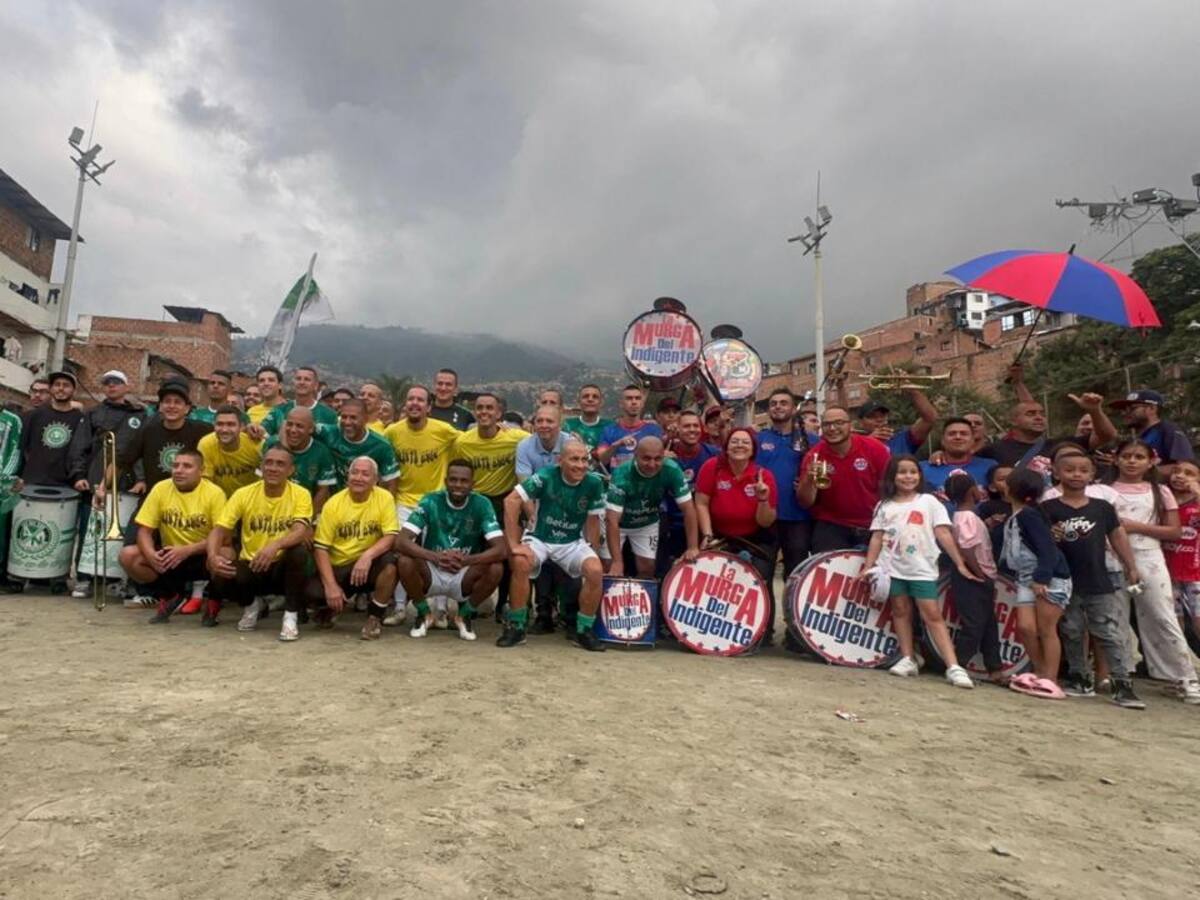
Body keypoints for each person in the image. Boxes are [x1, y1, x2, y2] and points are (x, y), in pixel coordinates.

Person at [859, 456, 978, 688]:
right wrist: (868, 565)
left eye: (913, 472)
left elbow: (943, 533)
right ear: (892, 476)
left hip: (922, 568)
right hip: (891, 568)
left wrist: (960, 562)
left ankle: (953, 665)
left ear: (919, 475)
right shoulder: (884, 505)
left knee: (932, 614)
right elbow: (877, 536)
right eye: (902, 472)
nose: (908, 477)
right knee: (900, 610)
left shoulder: (929, 502)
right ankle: (907, 657)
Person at [1040, 449, 1145, 708]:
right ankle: (1080, 678)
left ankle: (1122, 683)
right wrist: (1050, 537)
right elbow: (1041, 543)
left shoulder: (1102, 507)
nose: (1076, 475)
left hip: (1099, 579)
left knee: (1109, 630)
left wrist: (1130, 565)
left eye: (1083, 470)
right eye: (1070, 469)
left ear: (1092, 474)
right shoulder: (1047, 508)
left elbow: (1117, 536)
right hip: (1064, 581)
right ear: (1056, 473)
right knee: (1072, 630)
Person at [1105, 438, 1200, 702]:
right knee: (1116, 617)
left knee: (1161, 615)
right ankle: (1120, 676)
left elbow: (1174, 530)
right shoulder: (1104, 490)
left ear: (1150, 462)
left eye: (1138, 457)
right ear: (1116, 459)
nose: (1132, 461)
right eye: (1126, 456)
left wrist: (1134, 526)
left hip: (1149, 555)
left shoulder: (1160, 491)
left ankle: (1184, 675)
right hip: (1112, 558)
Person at [499, 439, 606, 650]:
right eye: (574, 459)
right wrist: (513, 543)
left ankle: (583, 630)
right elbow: (510, 501)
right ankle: (517, 626)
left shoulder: (594, 482)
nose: (581, 465)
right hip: (540, 537)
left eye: (584, 459)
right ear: (560, 461)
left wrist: (592, 549)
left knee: (595, 570)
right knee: (520, 562)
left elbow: (593, 519)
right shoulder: (545, 476)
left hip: (571, 541)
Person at [206, 446, 312, 640]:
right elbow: (219, 529)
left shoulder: (300, 493)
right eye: (268, 463)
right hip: (252, 564)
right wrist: (212, 556)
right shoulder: (243, 493)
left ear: (290, 470)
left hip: (281, 566)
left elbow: (300, 531)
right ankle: (252, 605)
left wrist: (275, 545)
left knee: (298, 552)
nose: (273, 468)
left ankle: (290, 616)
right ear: (261, 467)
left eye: (280, 464)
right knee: (219, 569)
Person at [395, 459, 507, 641]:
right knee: (404, 560)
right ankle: (424, 613)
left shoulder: (482, 504)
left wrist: (467, 560)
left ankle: (465, 614)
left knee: (496, 567)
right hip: (432, 569)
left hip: (463, 572)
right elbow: (401, 541)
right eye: (453, 480)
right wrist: (435, 557)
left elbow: (501, 549)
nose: (458, 485)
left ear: (473, 484)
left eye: (464, 481)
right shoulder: (430, 501)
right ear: (446, 481)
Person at [118, 449, 226, 625]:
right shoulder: (161, 488)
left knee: (227, 554)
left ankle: (213, 602)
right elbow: (144, 531)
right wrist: (151, 554)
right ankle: (169, 595)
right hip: (171, 557)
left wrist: (187, 550)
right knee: (129, 555)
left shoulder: (215, 493)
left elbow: (223, 537)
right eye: (175, 465)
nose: (179, 470)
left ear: (201, 471)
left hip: (202, 554)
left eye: (187, 466)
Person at [382, 385, 460, 626]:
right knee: (401, 553)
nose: (414, 403)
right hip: (404, 501)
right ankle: (399, 608)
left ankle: (440, 610)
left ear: (428, 407)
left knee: (439, 553)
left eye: (420, 400)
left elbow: (471, 443)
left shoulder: (444, 431)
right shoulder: (392, 432)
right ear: (405, 405)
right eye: (410, 399)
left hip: (436, 501)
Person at [695, 428, 779, 642]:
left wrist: (762, 499)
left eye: (745, 442)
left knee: (759, 578)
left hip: (755, 537)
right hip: (719, 535)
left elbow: (766, 521)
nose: (739, 445)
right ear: (726, 446)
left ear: (753, 450)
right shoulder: (712, 467)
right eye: (734, 441)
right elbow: (701, 503)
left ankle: (762, 632)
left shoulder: (764, 476)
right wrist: (707, 535)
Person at [66, 369, 145, 597]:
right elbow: (80, 446)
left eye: (117, 382)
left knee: (119, 531)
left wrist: (141, 478)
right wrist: (78, 475)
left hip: (126, 481)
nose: (112, 386)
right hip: (94, 477)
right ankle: (84, 577)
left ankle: (116, 578)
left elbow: (140, 450)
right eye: (108, 383)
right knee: (89, 529)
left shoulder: (139, 415)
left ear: (126, 386)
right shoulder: (93, 414)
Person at [450, 393, 528, 618]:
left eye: (489, 408)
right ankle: (471, 600)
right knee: (476, 552)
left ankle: (503, 604)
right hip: (475, 501)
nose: (484, 412)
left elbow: (539, 440)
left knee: (507, 553)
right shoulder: (463, 441)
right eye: (480, 408)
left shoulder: (516, 438)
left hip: (504, 500)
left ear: (499, 413)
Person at [305, 456, 400, 640]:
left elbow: (391, 536)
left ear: (375, 480)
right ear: (347, 477)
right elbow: (321, 547)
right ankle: (331, 607)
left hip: (368, 564)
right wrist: (331, 585)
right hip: (340, 566)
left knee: (391, 565)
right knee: (311, 592)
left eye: (365, 474)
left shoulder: (384, 497)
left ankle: (375, 617)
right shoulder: (333, 504)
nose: (358, 478)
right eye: (354, 472)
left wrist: (367, 556)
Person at [1001, 468, 1073, 700]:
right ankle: (1039, 669)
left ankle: (1050, 678)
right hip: (1024, 578)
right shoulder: (1016, 516)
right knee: (1026, 627)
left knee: (1046, 628)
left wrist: (1042, 577)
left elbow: (1047, 548)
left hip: (1048, 577)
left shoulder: (1029, 515)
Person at [109, 380, 212, 526]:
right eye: (167, 402)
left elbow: (228, 433)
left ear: (187, 408)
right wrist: (102, 488)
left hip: (190, 503)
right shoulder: (148, 431)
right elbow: (121, 461)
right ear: (160, 407)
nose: (171, 406)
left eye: (177, 402)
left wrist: (251, 430)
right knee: (129, 547)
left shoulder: (202, 430)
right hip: (154, 500)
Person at [797, 406, 891, 552]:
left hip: (872, 524)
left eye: (839, 422)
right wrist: (809, 479)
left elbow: (889, 490)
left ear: (850, 425)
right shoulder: (813, 455)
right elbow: (805, 502)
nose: (833, 428)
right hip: (832, 526)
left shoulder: (875, 449)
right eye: (827, 424)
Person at [605, 436, 697, 578]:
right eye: (646, 458)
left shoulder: (671, 469)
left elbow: (688, 508)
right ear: (635, 456)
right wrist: (617, 562)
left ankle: (641, 597)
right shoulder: (622, 474)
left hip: (646, 521)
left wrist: (692, 547)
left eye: (658, 459)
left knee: (647, 569)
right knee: (609, 566)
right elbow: (612, 520)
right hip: (617, 523)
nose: (652, 464)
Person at [944, 473, 1005, 684]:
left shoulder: (968, 517)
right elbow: (967, 548)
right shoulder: (967, 517)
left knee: (989, 623)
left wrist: (987, 525)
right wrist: (979, 573)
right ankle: (957, 664)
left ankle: (995, 668)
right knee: (975, 623)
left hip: (980, 575)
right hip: (974, 577)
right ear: (971, 492)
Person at [757, 388, 817, 586]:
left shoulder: (812, 440)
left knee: (796, 578)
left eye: (783, 403)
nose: (778, 407)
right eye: (773, 403)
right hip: (765, 518)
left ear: (793, 408)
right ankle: (765, 617)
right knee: (761, 577)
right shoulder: (758, 439)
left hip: (798, 518)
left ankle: (792, 617)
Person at [658, 410, 719, 575]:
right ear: (677, 429)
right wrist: (659, 462)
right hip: (671, 525)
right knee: (669, 574)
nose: (692, 430)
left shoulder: (713, 454)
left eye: (695, 425)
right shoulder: (664, 454)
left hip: (702, 525)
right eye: (686, 426)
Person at [262, 407, 337, 514]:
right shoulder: (272, 445)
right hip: (272, 509)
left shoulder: (322, 452)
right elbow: (260, 481)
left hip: (304, 509)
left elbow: (323, 490)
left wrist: (308, 519)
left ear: (311, 429)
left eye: (299, 426)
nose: (293, 430)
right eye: (290, 424)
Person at [314, 398, 400, 491]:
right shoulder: (329, 432)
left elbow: (391, 483)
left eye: (353, 417)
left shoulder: (382, 446)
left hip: (365, 499)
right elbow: (305, 425)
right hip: (334, 500)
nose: (347, 422)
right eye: (344, 417)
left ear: (366, 419)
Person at [18, 370, 83, 490]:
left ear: (74, 391)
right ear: (51, 389)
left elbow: (82, 453)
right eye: (57, 384)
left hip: (65, 486)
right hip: (31, 482)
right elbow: (20, 447)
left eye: (66, 385)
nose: (61, 388)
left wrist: (79, 477)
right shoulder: (34, 416)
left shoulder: (81, 420)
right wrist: (18, 475)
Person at [1108, 389, 1195, 469]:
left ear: (1152, 408)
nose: (1125, 413)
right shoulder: (1136, 438)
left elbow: (1184, 467)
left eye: (1132, 408)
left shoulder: (1168, 430)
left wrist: (1137, 471)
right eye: (1124, 410)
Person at [1165, 460, 1200, 643]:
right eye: (1176, 471)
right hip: (1168, 572)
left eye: (1189, 473)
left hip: (1195, 572)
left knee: (1198, 619)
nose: (1179, 476)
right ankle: (1182, 663)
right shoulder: (1164, 498)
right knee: (1174, 621)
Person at [919, 417, 996, 497]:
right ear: (942, 440)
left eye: (964, 434)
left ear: (973, 440)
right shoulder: (922, 469)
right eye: (952, 434)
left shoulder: (990, 467)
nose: (958, 437)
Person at [198, 405, 262, 497]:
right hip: (219, 498)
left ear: (241, 427)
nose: (224, 429)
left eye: (231, 424)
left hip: (250, 499)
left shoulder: (255, 444)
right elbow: (206, 484)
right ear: (214, 426)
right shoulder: (206, 444)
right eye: (220, 424)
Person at [596, 385, 663, 471]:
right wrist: (617, 444)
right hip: (618, 481)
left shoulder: (653, 430)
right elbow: (602, 460)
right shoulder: (609, 431)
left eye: (637, 398)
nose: (634, 402)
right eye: (629, 398)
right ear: (621, 403)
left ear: (642, 404)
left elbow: (658, 460)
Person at [852, 389, 937, 456]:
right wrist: (869, 441)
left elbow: (930, 418)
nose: (879, 419)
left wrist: (913, 391)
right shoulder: (855, 442)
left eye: (883, 415)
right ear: (861, 422)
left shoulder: (902, 437)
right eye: (872, 416)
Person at [261, 366, 339, 436]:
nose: (302, 382)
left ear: (315, 385)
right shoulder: (279, 410)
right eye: (298, 379)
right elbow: (263, 431)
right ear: (294, 383)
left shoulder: (329, 415)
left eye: (307, 379)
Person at [516, 404, 570, 481]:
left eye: (549, 421)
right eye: (539, 421)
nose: (544, 425)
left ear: (560, 425)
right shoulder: (524, 446)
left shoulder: (571, 444)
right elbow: (525, 483)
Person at [563, 384, 613, 457]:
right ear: (578, 401)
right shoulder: (567, 425)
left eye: (595, 397)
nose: (590, 399)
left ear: (601, 402)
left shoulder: (610, 427)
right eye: (585, 396)